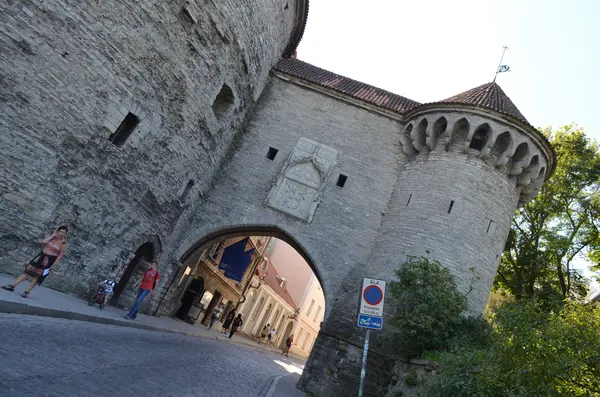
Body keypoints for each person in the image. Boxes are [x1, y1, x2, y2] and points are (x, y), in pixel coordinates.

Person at [2, 226, 68, 298]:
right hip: (40, 257)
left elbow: (60, 255)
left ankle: (26, 292)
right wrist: (53, 234)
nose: (61, 233)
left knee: (37, 277)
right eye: (60, 231)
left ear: (65, 234)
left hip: (49, 261)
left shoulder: (63, 243)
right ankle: (12, 286)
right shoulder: (52, 238)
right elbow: (43, 242)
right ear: (57, 231)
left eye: (63, 232)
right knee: (27, 272)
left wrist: (53, 265)